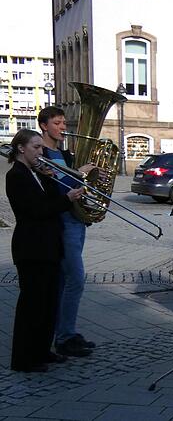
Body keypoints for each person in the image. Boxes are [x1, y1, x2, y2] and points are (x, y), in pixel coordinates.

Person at [6, 129, 83, 372]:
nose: (41, 152)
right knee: (32, 305)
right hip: (32, 248)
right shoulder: (16, 175)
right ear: (21, 148)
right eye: (36, 148)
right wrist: (67, 198)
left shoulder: (36, 174)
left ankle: (42, 351)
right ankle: (24, 359)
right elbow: (36, 210)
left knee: (49, 303)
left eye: (41, 148)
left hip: (49, 246)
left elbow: (49, 201)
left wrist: (50, 179)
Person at [38, 106, 98, 358]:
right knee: (75, 279)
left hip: (76, 220)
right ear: (44, 126)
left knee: (65, 281)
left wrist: (93, 177)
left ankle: (65, 333)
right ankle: (64, 336)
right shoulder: (41, 154)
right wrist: (79, 175)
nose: (63, 127)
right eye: (57, 123)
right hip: (62, 222)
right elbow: (56, 188)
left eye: (64, 122)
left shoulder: (65, 153)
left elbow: (77, 186)